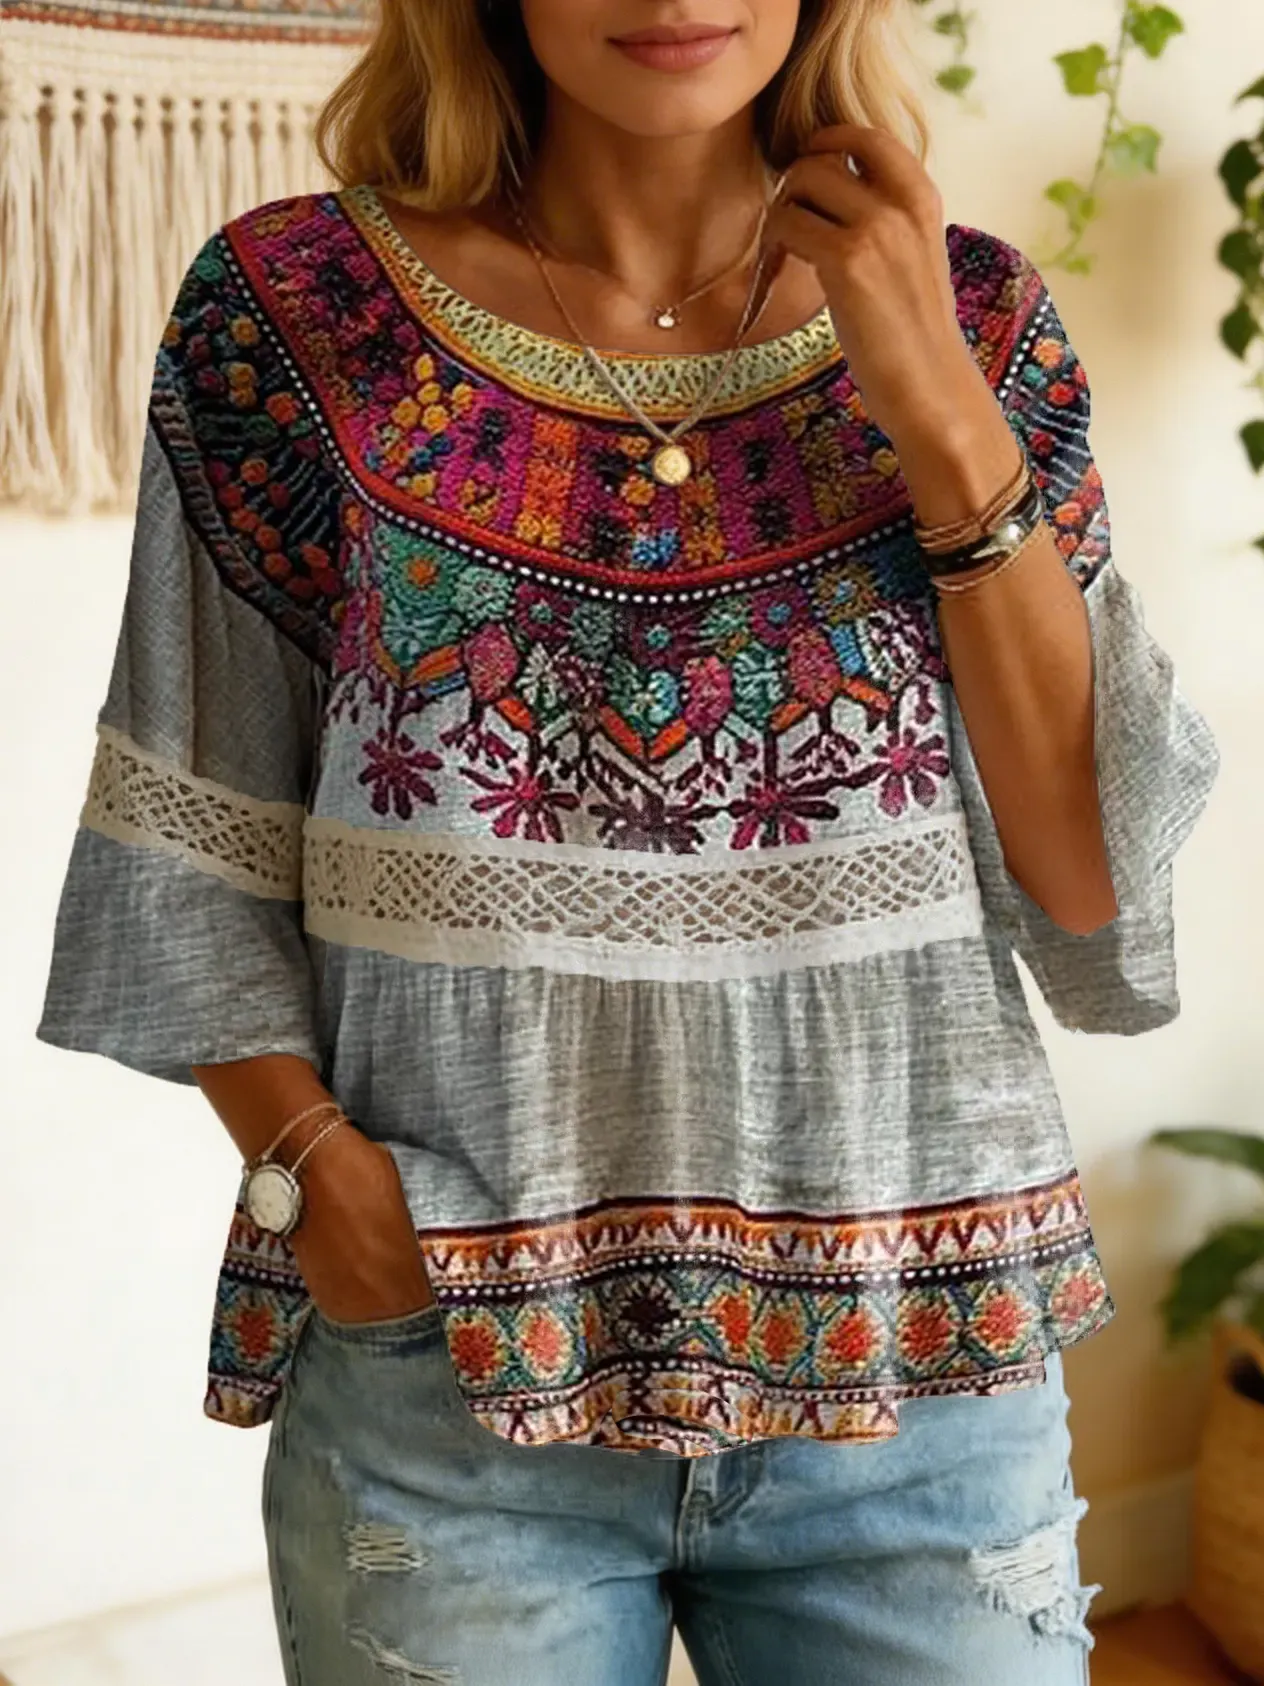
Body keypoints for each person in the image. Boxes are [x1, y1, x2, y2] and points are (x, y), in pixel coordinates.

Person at [36, 0, 1220, 1680]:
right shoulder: (296, 314)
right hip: (452, 1380)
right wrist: (322, 1182)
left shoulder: (974, 316)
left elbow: (1086, 873)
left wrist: (943, 412)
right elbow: (191, 823)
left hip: (919, 1375)